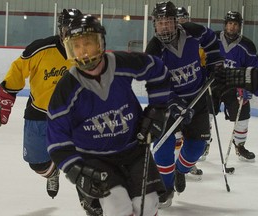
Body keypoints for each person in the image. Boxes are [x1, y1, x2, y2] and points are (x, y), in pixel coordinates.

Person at [45, 14, 195, 216]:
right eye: (77, 46)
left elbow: (158, 71)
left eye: (88, 43)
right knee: (117, 208)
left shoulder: (121, 63)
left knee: (148, 205)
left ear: (100, 43)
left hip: (134, 149)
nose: (83, 52)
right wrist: (76, 170)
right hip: (94, 157)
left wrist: (158, 109)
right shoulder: (67, 87)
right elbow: (57, 136)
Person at [0, 8, 104, 216]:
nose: (69, 32)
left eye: (73, 28)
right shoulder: (40, 49)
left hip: (75, 117)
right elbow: (17, 71)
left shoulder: (87, 50)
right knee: (37, 163)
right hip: (39, 113)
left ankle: (89, 199)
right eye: (65, 28)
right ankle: (53, 172)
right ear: (60, 28)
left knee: (85, 160)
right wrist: (4, 99)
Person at [145, 1, 224, 208]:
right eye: (160, 23)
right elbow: (155, 84)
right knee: (163, 148)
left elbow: (211, 40)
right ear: (155, 24)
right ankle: (165, 188)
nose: (164, 27)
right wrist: (173, 102)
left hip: (197, 99)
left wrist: (215, 63)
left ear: (175, 22)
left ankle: (180, 170)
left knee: (197, 147)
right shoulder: (153, 49)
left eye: (168, 22)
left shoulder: (192, 31)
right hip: (167, 105)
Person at [204, 11, 258, 162]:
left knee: (243, 114)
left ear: (239, 26)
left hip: (235, 87)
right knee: (205, 114)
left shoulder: (247, 45)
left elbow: (253, 70)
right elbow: (201, 58)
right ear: (225, 25)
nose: (231, 27)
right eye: (229, 23)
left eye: (235, 24)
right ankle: (203, 144)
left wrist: (249, 87)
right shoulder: (213, 39)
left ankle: (239, 146)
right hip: (212, 84)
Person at [173, 5, 204, 179]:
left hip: (195, 94)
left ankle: (184, 164)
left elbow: (203, 64)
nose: (182, 22)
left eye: (184, 18)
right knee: (177, 135)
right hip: (175, 97)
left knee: (192, 135)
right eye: (179, 19)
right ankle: (175, 165)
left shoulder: (194, 39)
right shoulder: (165, 41)